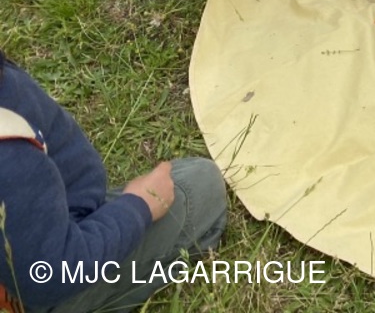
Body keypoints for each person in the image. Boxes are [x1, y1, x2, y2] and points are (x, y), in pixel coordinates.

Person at [0, 49, 227, 313]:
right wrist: (138, 207)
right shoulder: (10, 158)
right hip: (41, 285)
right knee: (201, 185)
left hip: (33, 235)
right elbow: (49, 275)